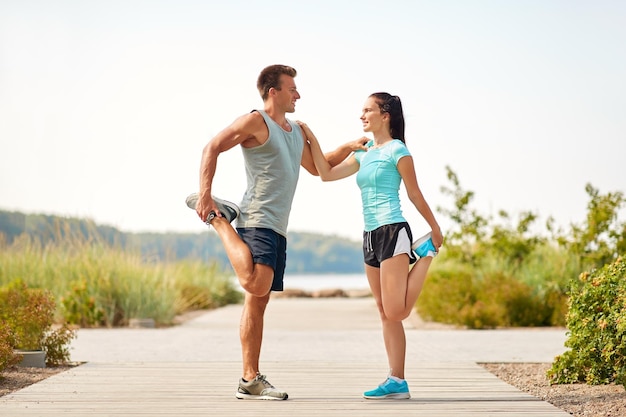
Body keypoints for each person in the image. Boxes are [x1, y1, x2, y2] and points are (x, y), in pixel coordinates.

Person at [186, 64, 367, 401]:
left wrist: (349, 146)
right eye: (292, 88)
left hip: (277, 226)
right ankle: (219, 219)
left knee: (257, 303)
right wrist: (206, 195)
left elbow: (318, 166)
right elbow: (212, 146)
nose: (298, 94)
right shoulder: (257, 121)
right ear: (274, 91)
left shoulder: (295, 131)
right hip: (256, 218)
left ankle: (249, 379)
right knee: (255, 283)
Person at [298, 92, 443, 400]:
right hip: (369, 236)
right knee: (384, 312)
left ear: (385, 115)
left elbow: (415, 194)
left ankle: (426, 254)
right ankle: (396, 380)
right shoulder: (363, 153)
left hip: (392, 229)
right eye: (361, 111)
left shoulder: (398, 150)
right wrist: (310, 136)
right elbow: (324, 173)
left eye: (367, 110)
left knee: (396, 311)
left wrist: (435, 228)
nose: (362, 116)